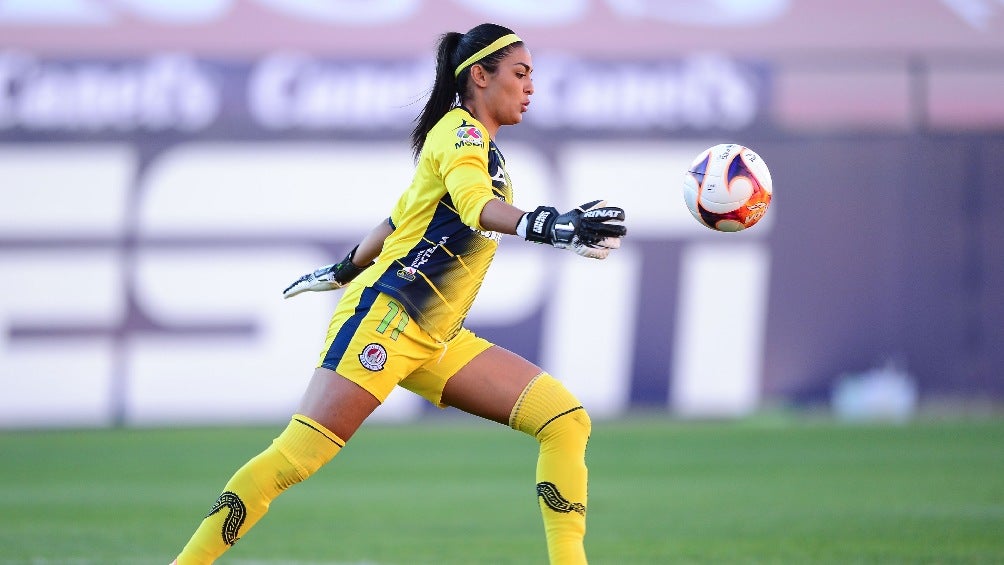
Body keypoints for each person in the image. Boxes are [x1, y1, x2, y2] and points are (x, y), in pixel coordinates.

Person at [170, 22, 626, 565]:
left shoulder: (479, 149)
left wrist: (342, 267)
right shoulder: (460, 134)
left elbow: (398, 218)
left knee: (564, 419)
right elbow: (477, 205)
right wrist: (548, 225)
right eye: (521, 74)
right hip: (389, 318)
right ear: (479, 76)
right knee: (298, 456)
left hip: (436, 336)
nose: (531, 88)